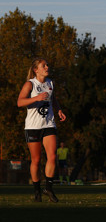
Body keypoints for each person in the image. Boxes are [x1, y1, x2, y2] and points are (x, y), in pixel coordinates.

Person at [17, 58, 67, 203]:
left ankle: (49, 188)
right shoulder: (30, 84)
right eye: (43, 65)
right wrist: (36, 98)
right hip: (33, 127)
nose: (47, 67)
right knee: (36, 160)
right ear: (36, 70)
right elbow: (20, 102)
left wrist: (59, 110)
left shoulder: (50, 83)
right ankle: (37, 190)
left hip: (48, 124)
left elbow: (53, 99)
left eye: (47, 65)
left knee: (52, 156)